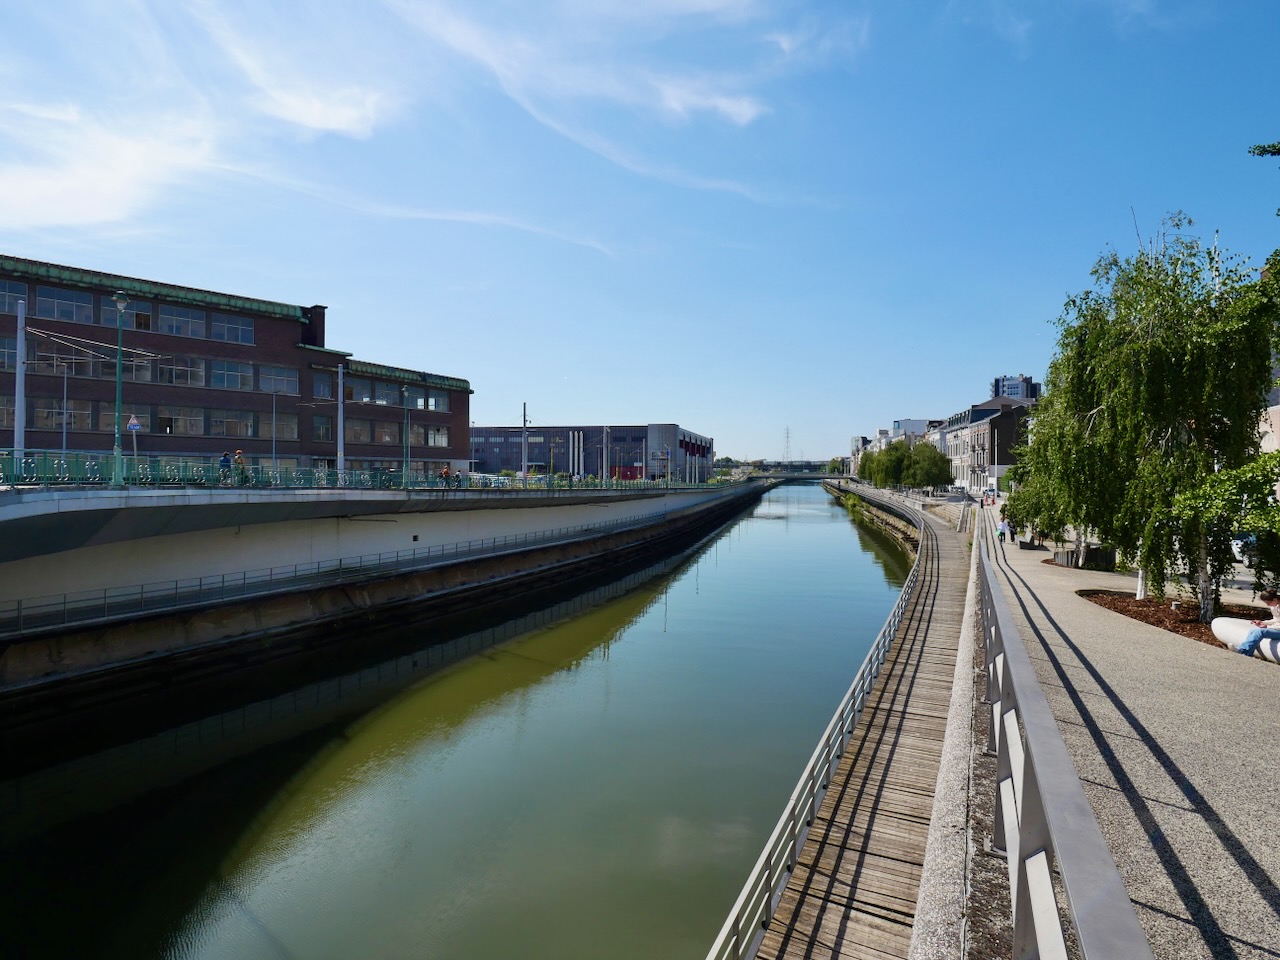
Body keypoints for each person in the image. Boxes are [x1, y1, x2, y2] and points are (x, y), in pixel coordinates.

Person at [1240, 589, 1280, 657]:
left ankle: (1243, 651)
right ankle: (1247, 652)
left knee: (1260, 632)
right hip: (1277, 629)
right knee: (1252, 631)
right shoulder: (1274, 606)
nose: (1268, 605)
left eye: (1268, 603)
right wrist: (1263, 622)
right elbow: (1276, 620)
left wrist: (1267, 627)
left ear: (1275, 600)